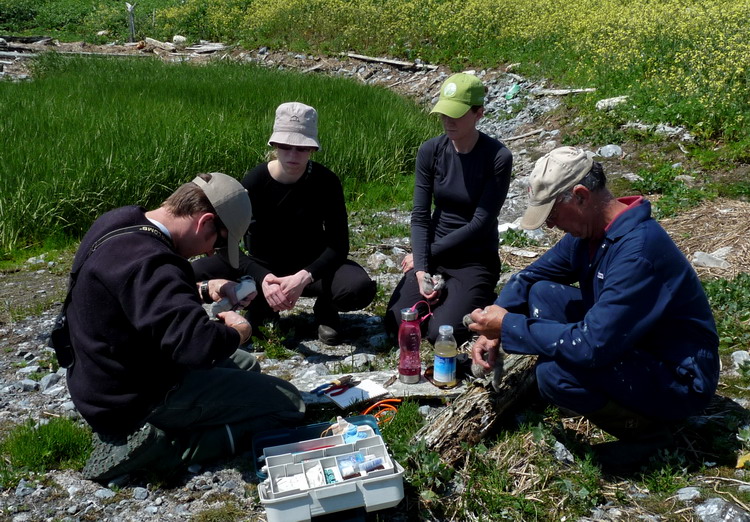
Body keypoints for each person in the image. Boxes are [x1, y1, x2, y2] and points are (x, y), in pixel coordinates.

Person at [469, 146, 720, 469]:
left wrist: (509, 327)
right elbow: (531, 277)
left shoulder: (638, 250)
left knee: (554, 375)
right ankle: (598, 395)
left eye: (553, 215)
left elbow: (590, 346)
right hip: (633, 343)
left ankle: (647, 435)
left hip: (677, 376)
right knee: (544, 293)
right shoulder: (591, 233)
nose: (551, 226)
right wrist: (494, 326)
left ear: (581, 196)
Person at [64, 172, 305, 483]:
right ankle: (167, 448)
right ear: (204, 222)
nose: (208, 254)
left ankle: (175, 425)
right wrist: (238, 331)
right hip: (132, 398)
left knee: (247, 365)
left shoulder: (121, 222)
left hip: (99, 381)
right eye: (217, 242)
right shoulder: (154, 263)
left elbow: (138, 294)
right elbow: (198, 348)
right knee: (289, 404)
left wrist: (206, 288)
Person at [192, 102, 376, 345]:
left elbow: (339, 245)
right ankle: (262, 304)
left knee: (358, 287)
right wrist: (263, 278)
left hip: (312, 268)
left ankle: (325, 308)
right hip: (263, 267)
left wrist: (303, 277)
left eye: (301, 148)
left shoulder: (326, 181)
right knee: (188, 273)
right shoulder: (255, 181)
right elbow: (226, 244)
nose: (292, 155)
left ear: (312, 149)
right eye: (285, 146)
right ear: (274, 145)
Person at [385, 73, 513, 344]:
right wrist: (421, 269)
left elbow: (481, 223)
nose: (448, 120)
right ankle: (448, 299)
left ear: (479, 113)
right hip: (436, 256)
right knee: (399, 322)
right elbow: (420, 215)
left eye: (456, 114)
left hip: (474, 259)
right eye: (444, 113)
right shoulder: (431, 150)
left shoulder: (498, 158)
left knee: (441, 334)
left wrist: (425, 254)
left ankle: (477, 296)